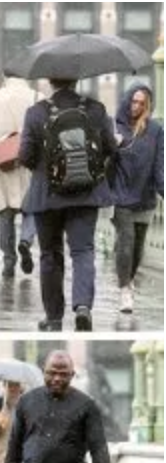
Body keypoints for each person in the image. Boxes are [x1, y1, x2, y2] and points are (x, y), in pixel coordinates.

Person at [18, 78, 118, 331]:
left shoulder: (36, 112)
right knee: (83, 251)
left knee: (50, 255)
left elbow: (25, 156)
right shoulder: (96, 109)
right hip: (86, 194)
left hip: (47, 196)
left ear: (50, 81)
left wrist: (45, 170)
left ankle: (53, 318)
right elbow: (110, 148)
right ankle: (83, 306)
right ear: (76, 80)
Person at [0, 74, 42, 278]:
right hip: (29, 163)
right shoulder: (37, 98)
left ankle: (9, 260)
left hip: (2, 165)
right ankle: (26, 241)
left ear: (6, 77)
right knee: (31, 209)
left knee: (5, 213)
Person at [108, 83, 163, 314]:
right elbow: (102, 158)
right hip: (121, 196)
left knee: (138, 248)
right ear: (127, 99)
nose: (136, 106)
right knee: (127, 241)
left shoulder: (155, 130)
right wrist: (113, 144)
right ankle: (124, 292)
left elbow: (160, 165)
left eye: (142, 103)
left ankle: (128, 281)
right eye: (134, 101)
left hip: (145, 196)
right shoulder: (115, 126)